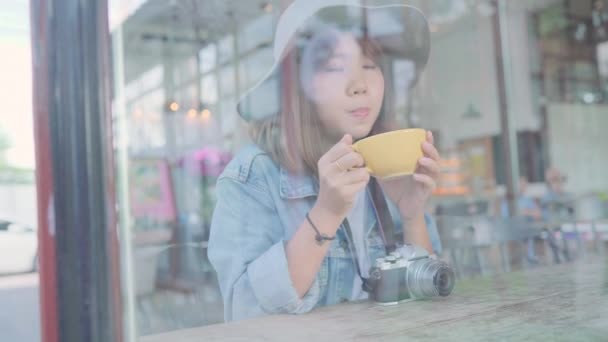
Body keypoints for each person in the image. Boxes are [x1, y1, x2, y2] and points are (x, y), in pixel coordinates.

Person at [208, 0, 442, 322]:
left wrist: (412, 214)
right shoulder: (252, 175)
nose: (360, 85)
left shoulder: (387, 165)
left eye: (371, 64)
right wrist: (327, 212)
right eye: (334, 66)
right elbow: (244, 313)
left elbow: (428, 302)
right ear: (296, 86)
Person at [501, 176, 542, 264]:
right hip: (512, 229)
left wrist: (526, 212)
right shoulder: (508, 200)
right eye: (522, 185)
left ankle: (530, 256)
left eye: (525, 186)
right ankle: (525, 257)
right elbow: (506, 216)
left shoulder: (527, 199)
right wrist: (525, 212)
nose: (524, 188)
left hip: (527, 228)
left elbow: (537, 214)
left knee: (532, 231)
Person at [541, 167, 575, 263]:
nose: (558, 184)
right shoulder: (547, 198)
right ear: (550, 183)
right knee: (556, 260)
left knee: (571, 258)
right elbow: (546, 216)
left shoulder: (569, 196)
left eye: (559, 180)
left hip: (569, 233)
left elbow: (573, 213)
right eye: (554, 181)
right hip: (553, 232)